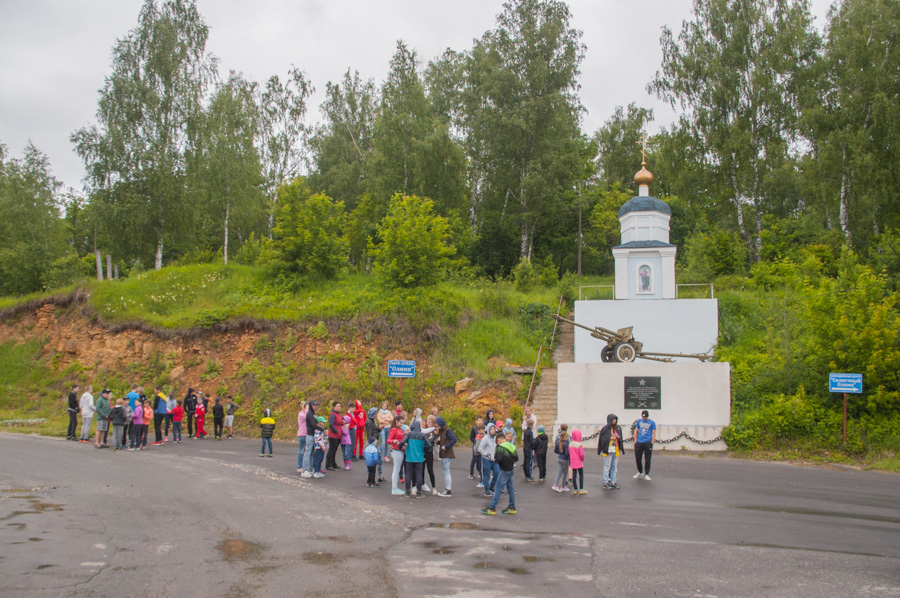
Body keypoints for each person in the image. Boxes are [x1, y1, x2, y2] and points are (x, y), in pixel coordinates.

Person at [482, 430, 518, 515]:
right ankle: (512, 507)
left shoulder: (500, 447)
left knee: (498, 489)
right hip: (510, 470)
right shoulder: (511, 446)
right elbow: (516, 458)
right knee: (510, 489)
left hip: (503, 471)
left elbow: (498, 459)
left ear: (498, 440)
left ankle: (492, 508)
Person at [398, 420, 427, 498]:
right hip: (419, 457)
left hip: (409, 457)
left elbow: (402, 442)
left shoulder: (409, 434)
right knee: (419, 474)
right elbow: (428, 444)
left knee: (408, 474)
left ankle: (407, 491)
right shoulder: (422, 435)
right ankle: (419, 492)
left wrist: (400, 447)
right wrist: (423, 450)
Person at [599, 413, 625, 490]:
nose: (614, 421)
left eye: (615, 419)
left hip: (615, 449)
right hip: (608, 449)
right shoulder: (605, 429)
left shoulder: (618, 428)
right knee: (607, 466)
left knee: (614, 466)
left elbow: (620, 438)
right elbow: (603, 439)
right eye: (613, 419)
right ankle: (605, 482)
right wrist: (611, 438)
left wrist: (618, 438)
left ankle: (613, 482)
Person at [435, 416, 457, 497]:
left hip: (447, 453)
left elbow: (454, 439)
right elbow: (443, 440)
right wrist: (438, 442)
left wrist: (446, 447)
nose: (436, 427)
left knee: (446, 472)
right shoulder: (442, 431)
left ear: (441, 424)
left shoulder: (447, 430)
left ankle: (448, 490)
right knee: (445, 471)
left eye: (437, 426)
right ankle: (447, 489)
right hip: (444, 453)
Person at [633, 409, 657, 481]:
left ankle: (646, 473)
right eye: (643, 417)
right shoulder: (639, 421)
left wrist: (652, 442)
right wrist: (635, 440)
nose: (644, 418)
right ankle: (640, 471)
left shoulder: (652, 422)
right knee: (638, 458)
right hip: (639, 442)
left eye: (645, 417)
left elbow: (654, 432)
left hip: (647, 442)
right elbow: (636, 430)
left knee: (647, 458)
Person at [478, 423, 499, 497]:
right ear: (488, 430)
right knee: (487, 474)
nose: (493, 431)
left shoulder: (496, 438)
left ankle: (492, 487)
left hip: (494, 459)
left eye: (494, 429)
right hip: (487, 459)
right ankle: (486, 490)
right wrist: (486, 454)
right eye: (491, 429)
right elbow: (480, 449)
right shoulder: (486, 438)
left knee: (497, 472)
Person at [387, 415, 406, 495]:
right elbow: (388, 440)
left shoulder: (400, 429)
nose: (402, 424)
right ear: (396, 421)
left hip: (400, 450)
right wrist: (393, 441)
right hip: (397, 450)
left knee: (397, 469)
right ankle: (394, 488)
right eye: (401, 423)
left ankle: (395, 488)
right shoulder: (394, 430)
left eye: (403, 423)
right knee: (396, 469)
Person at [301, 400, 320, 478]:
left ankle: (311, 469)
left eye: (316, 405)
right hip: (310, 435)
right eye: (314, 405)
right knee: (307, 452)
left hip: (314, 435)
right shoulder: (309, 414)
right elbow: (314, 425)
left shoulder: (314, 414)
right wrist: (322, 429)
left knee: (312, 453)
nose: (315, 407)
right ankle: (304, 470)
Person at [568, 429, 586, 495]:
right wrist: (582, 459)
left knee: (574, 475)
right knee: (581, 474)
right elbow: (581, 454)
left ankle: (575, 489)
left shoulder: (570, 444)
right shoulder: (579, 444)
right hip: (579, 461)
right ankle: (581, 488)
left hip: (573, 461)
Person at [326, 402, 343, 471]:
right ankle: (328, 464)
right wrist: (336, 431)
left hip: (338, 435)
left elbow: (342, 421)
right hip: (333, 435)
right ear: (333, 407)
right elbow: (331, 424)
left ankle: (333, 463)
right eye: (337, 406)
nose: (339, 407)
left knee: (335, 450)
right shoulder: (333, 415)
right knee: (331, 450)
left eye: (339, 406)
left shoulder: (339, 415)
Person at [469, 415, 484, 480]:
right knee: (474, 459)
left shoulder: (484, 428)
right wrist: (475, 441)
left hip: (482, 447)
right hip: (475, 447)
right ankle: (471, 473)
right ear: (476, 421)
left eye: (481, 421)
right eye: (479, 420)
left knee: (480, 461)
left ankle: (480, 473)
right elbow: (471, 437)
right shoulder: (474, 429)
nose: (480, 422)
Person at [296, 401, 308, 474]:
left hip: (307, 434)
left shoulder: (306, 413)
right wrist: (306, 409)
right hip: (302, 434)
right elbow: (307, 417)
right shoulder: (301, 414)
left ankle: (304, 466)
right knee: (301, 451)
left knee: (306, 451)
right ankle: (299, 466)